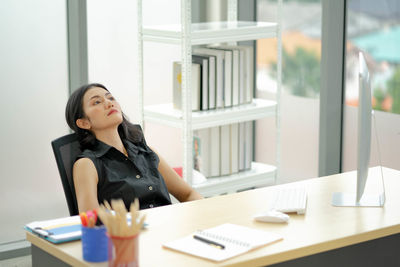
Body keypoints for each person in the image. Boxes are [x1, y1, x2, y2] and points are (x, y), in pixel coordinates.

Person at [65, 83, 203, 212]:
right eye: (97, 102)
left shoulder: (146, 152)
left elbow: (188, 194)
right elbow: (91, 222)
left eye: (110, 98)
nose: (109, 103)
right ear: (83, 123)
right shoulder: (87, 164)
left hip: (169, 229)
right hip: (129, 235)